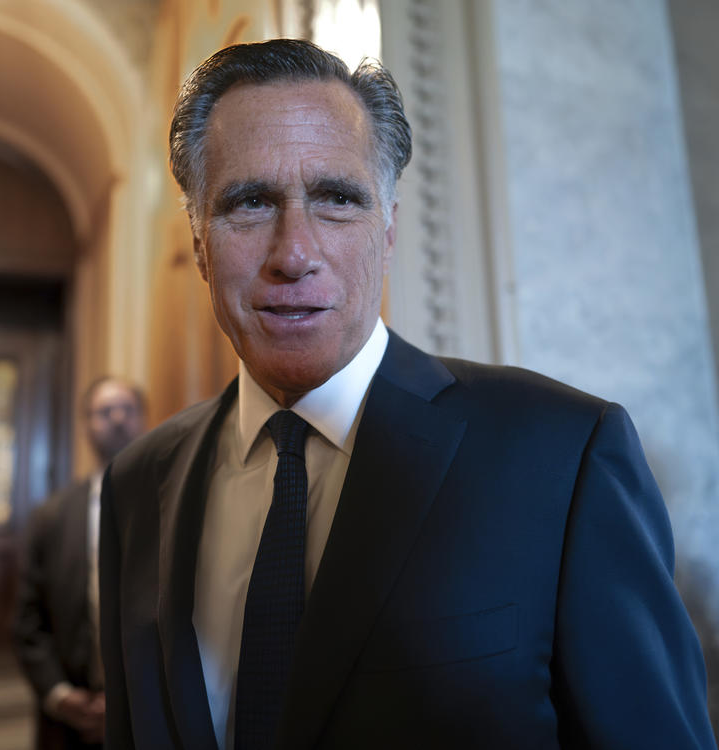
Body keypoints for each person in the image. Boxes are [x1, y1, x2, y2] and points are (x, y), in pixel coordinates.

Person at [98, 38, 716, 750]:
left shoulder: (564, 455)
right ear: (199, 240)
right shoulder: (138, 486)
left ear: (387, 229)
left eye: (337, 199)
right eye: (249, 202)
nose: (294, 253)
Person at [14, 376, 146, 750]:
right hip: (69, 716)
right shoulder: (50, 517)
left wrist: (129, 699)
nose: (118, 418)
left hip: (150, 713)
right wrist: (59, 695)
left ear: (144, 420)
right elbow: (28, 620)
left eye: (128, 409)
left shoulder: (171, 505)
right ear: (86, 424)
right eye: (105, 411)